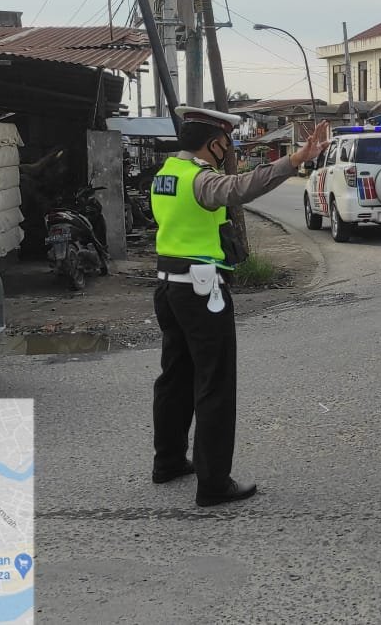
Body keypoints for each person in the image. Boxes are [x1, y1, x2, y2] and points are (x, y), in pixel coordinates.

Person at [150, 106, 328, 507]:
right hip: (200, 290)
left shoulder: (165, 175)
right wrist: (294, 160)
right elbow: (238, 188)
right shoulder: (199, 180)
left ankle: (169, 461)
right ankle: (214, 484)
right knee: (214, 383)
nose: (228, 150)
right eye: (226, 143)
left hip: (167, 287)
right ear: (214, 144)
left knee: (174, 377)